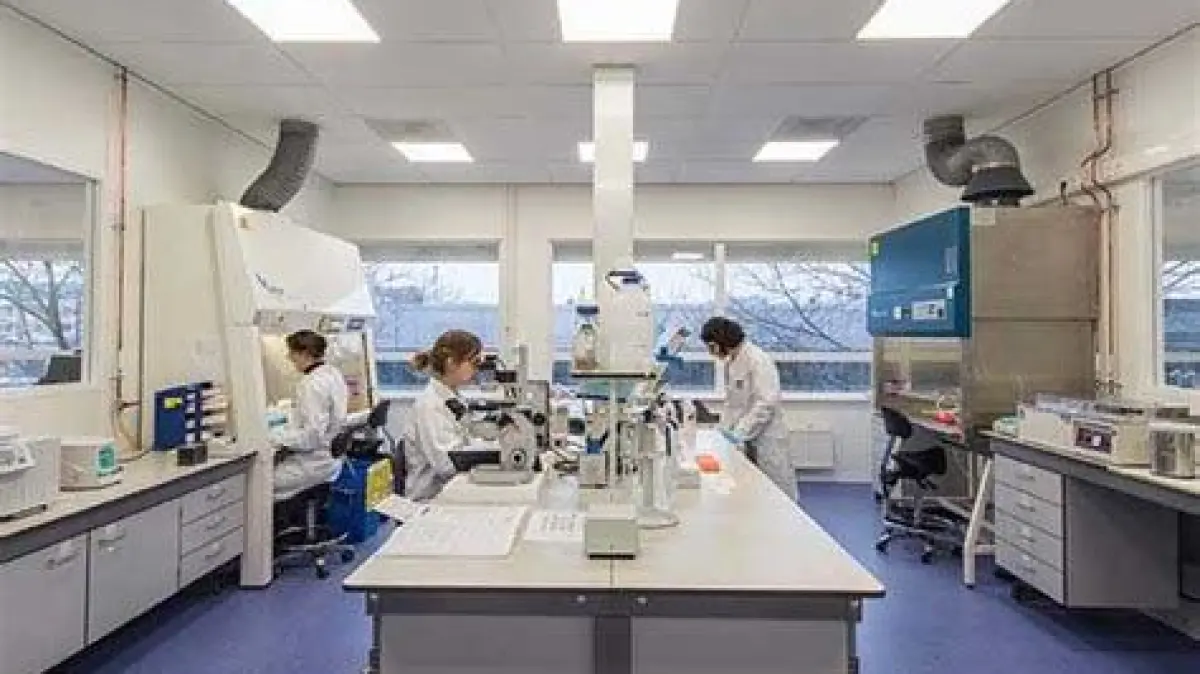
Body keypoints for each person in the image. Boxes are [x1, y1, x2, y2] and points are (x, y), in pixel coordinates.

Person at [700, 317, 796, 501]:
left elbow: (766, 403)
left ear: (723, 341)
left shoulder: (758, 360)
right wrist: (724, 431)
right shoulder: (732, 362)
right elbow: (732, 404)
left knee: (777, 494)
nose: (711, 352)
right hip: (745, 437)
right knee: (752, 492)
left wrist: (740, 432)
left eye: (712, 346)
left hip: (767, 437)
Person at [403, 330, 484, 501]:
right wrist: (489, 458)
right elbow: (446, 465)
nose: (477, 369)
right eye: (473, 362)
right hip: (430, 499)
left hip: (451, 490)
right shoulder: (430, 405)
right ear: (451, 363)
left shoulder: (453, 398)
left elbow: (466, 439)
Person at [272, 330, 348, 501]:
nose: (289, 357)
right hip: (331, 461)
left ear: (305, 353)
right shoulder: (333, 373)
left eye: (292, 352)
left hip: (314, 463)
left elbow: (312, 437)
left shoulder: (311, 384)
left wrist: (275, 438)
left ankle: (283, 518)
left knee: (260, 484)